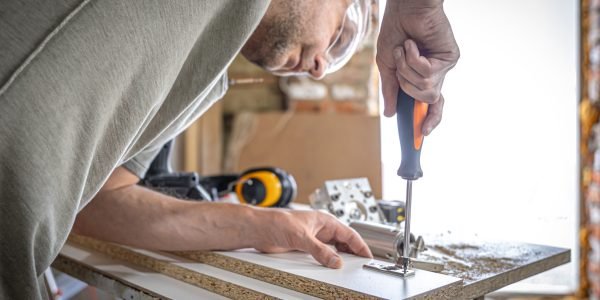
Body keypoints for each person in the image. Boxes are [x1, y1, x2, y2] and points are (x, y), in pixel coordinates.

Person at [0, 0, 458, 298]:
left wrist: (266, 226)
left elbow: (100, 200)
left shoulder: (203, 79)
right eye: (339, 36)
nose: (320, 68)